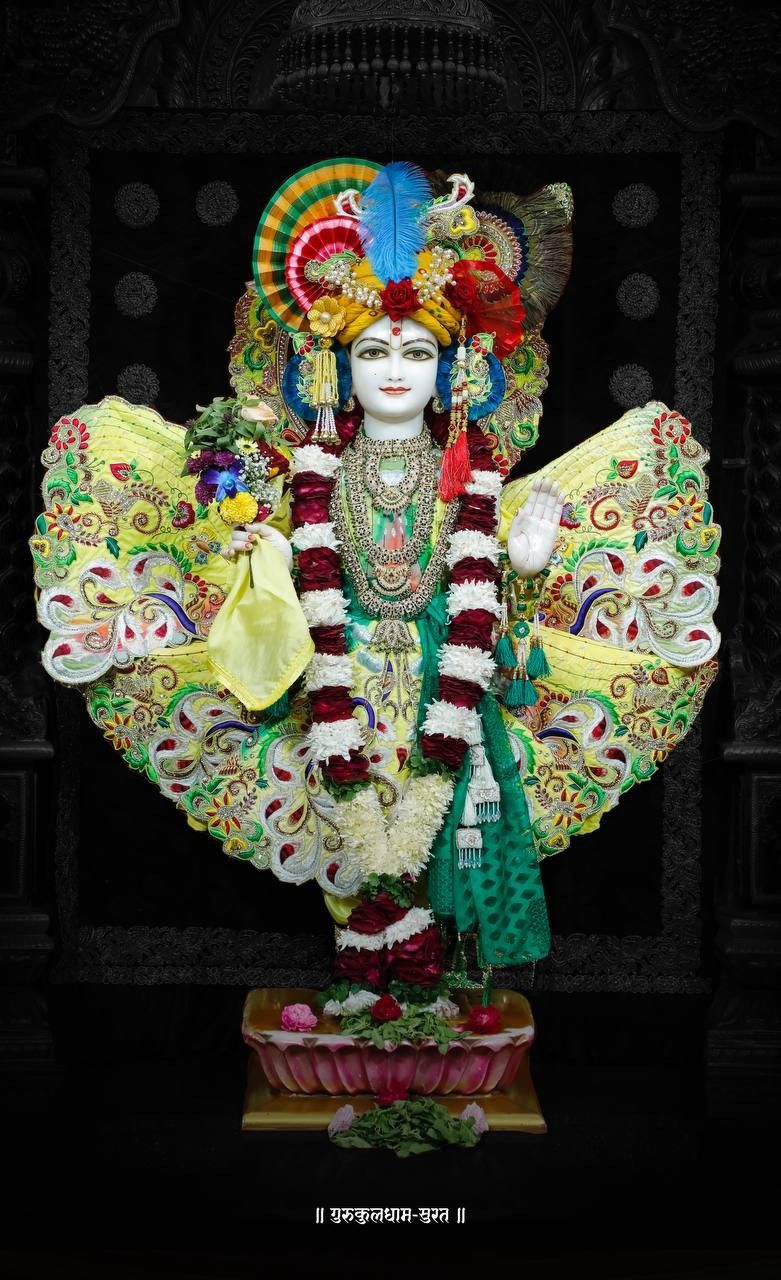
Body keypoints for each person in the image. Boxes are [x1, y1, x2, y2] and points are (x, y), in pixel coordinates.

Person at [30, 159, 720, 997]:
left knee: (437, 820)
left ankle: (422, 982)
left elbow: (487, 602)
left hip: (443, 669)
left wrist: (526, 571)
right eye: (373, 350)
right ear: (332, 368)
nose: (394, 368)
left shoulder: (472, 484)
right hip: (336, 671)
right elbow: (283, 571)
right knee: (343, 817)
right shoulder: (306, 475)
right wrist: (265, 552)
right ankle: (364, 974)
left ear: (452, 372)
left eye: (418, 350)